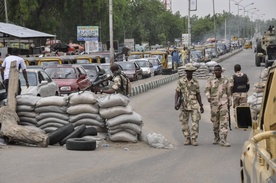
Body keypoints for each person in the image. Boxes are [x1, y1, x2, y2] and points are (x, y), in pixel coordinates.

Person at [174, 63, 204, 146]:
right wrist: (176, 103)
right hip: (183, 105)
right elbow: (177, 93)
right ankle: (187, 138)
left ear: (193, 72)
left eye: (191, 71)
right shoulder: (181, 81)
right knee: (184, 123)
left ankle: (194, 138)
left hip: (194, 104)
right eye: (188, 71)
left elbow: (198, 94)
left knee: (195, 122)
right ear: (186, 72)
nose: (189, 73)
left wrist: (201, 105)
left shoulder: (195, 82)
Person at [205, 64, 232, 147]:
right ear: (214, 71)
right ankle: (216, 137)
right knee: (215, 122)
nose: (217, 72)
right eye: (215, 70)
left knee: (224, 121)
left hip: (223, 103)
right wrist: (208, 97)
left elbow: (228, 91)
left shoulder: (226, 80)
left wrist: (229, 102)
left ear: (221, 71)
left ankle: (223, 139)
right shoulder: (210, 80)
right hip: (214, 104)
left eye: (218, 70)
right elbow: (207, 90)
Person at [230, 64, 250, 128]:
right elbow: (248, 85)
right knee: (243, 108)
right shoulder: (245, 76)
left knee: (236, 108)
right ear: (240, 68)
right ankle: (243, 123)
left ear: (234, 69)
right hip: (244, 94)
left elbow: (231, 86)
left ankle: (237, 123)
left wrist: (231, 93)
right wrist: (245, 91)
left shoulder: (233, 77)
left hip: (236, 95)